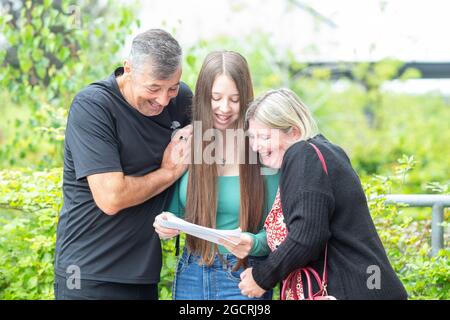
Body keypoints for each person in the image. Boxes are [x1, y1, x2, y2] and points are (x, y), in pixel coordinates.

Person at [54, 29, 193, 300]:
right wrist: (169, 171)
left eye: (172, 88)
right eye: (153, 88)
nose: (163, 100)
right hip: (88, 275)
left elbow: (218, 136)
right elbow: (111, 197)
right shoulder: (93, 106)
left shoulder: (181, 101)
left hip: (143, 276)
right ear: (128, 69)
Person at [239, 88, 408, 300]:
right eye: (252, 137)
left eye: (264, 136)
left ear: (294, 131)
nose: (256, 146)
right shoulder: (325, 152)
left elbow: (306, 236)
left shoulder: (303, 155)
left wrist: (261, 277)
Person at [153, 51, 279, 300]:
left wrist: (252, 243)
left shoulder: (262, 147)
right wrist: (166, 223)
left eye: (234, 99)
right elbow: (175, 211)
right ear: (202, 98)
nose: (224, 108)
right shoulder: (189, 142)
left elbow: (276, 231)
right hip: (191, 272)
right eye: (216, 98)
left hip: (243, 274)